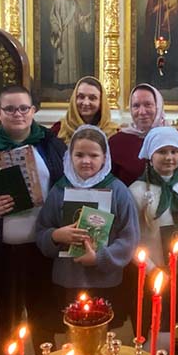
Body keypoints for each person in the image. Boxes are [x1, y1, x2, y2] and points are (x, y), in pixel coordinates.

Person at [0, 85, 66, 355]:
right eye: (10, 109)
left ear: (34, 111)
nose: (18, 114)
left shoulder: (51, 145)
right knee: (7, 317)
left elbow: (65, 185)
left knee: (44, 313)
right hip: (5, 250)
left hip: (42, 247)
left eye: (24, 108)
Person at [35, 125, 139, 329]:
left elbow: (130, 237)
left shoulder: (118, 190)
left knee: (105, 335)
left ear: (105, 157)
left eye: (93, 155)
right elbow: (41, 230)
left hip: (106, 280)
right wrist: (56, 235)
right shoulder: (59, 189)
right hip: (68, 280)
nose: (86, 161)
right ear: (69, 157)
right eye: (79, 154)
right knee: (74, 336)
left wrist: (100, 257)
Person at [129, 127, 178, 350]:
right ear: (150, 155)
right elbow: (132, 238)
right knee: (153, 323)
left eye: (174, 151)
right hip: (153, 271)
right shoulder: (137, 190)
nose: (169, 157)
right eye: (162, 152)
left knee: (174, 321)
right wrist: (151, 268)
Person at [110, 83, 178, 186]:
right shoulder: (117, 141)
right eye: (136, 105)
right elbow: (109, 183)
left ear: (158, 106)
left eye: (148, 104)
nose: (142, 112)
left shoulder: (177, 137)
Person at [141, 0, 178, 90]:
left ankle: (168, 81)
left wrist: (173, 12)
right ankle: (152, 81)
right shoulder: (152, 0)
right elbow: (149, 15)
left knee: (169, 59)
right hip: (153, 35)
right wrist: (157, 9)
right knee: (153, 58)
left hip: (168, 35)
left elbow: (177, 13)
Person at [50, 76, 118, 143]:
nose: (85, 103)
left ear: (101, 102)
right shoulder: (59, 129)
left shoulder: (114, 133)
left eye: (92, 98)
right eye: (81, 97)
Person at [50, 0, 92, 87]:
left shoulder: (75, 3)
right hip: (62, 32)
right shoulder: (58, 2)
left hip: (73, 33)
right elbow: (53, 17)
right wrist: (56, 27)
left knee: (73, 57)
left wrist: (86, 18)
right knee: (63, 58)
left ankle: (73, 82)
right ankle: (61, 83)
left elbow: (79, 18)